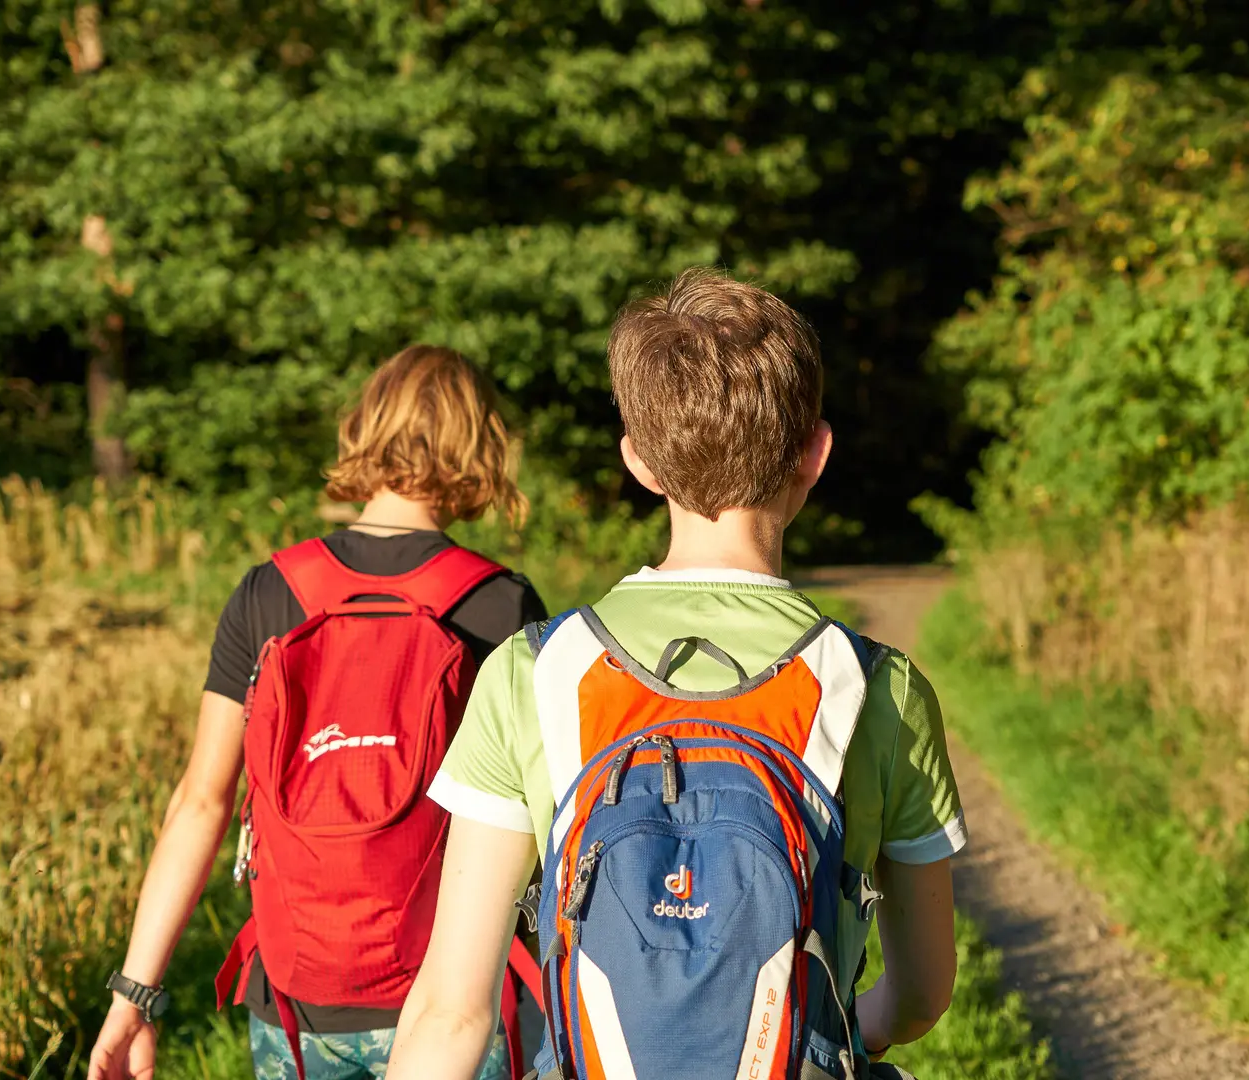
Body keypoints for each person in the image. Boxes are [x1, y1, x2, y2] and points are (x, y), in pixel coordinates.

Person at [384, 268, 965, 1080]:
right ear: (816, 454)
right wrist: (834, 1034)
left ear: (639, 462)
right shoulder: (879, 686)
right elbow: (922, 996)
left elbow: (452, 1011)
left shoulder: (534, 671)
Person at [86, 345, 546, 1080]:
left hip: (296, 1001)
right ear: (481, 445)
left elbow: (201, 803)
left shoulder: (268, 591)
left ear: (361, 427)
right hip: (455, 998)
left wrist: (133, 996)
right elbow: (532, 825)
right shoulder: (501, 605)